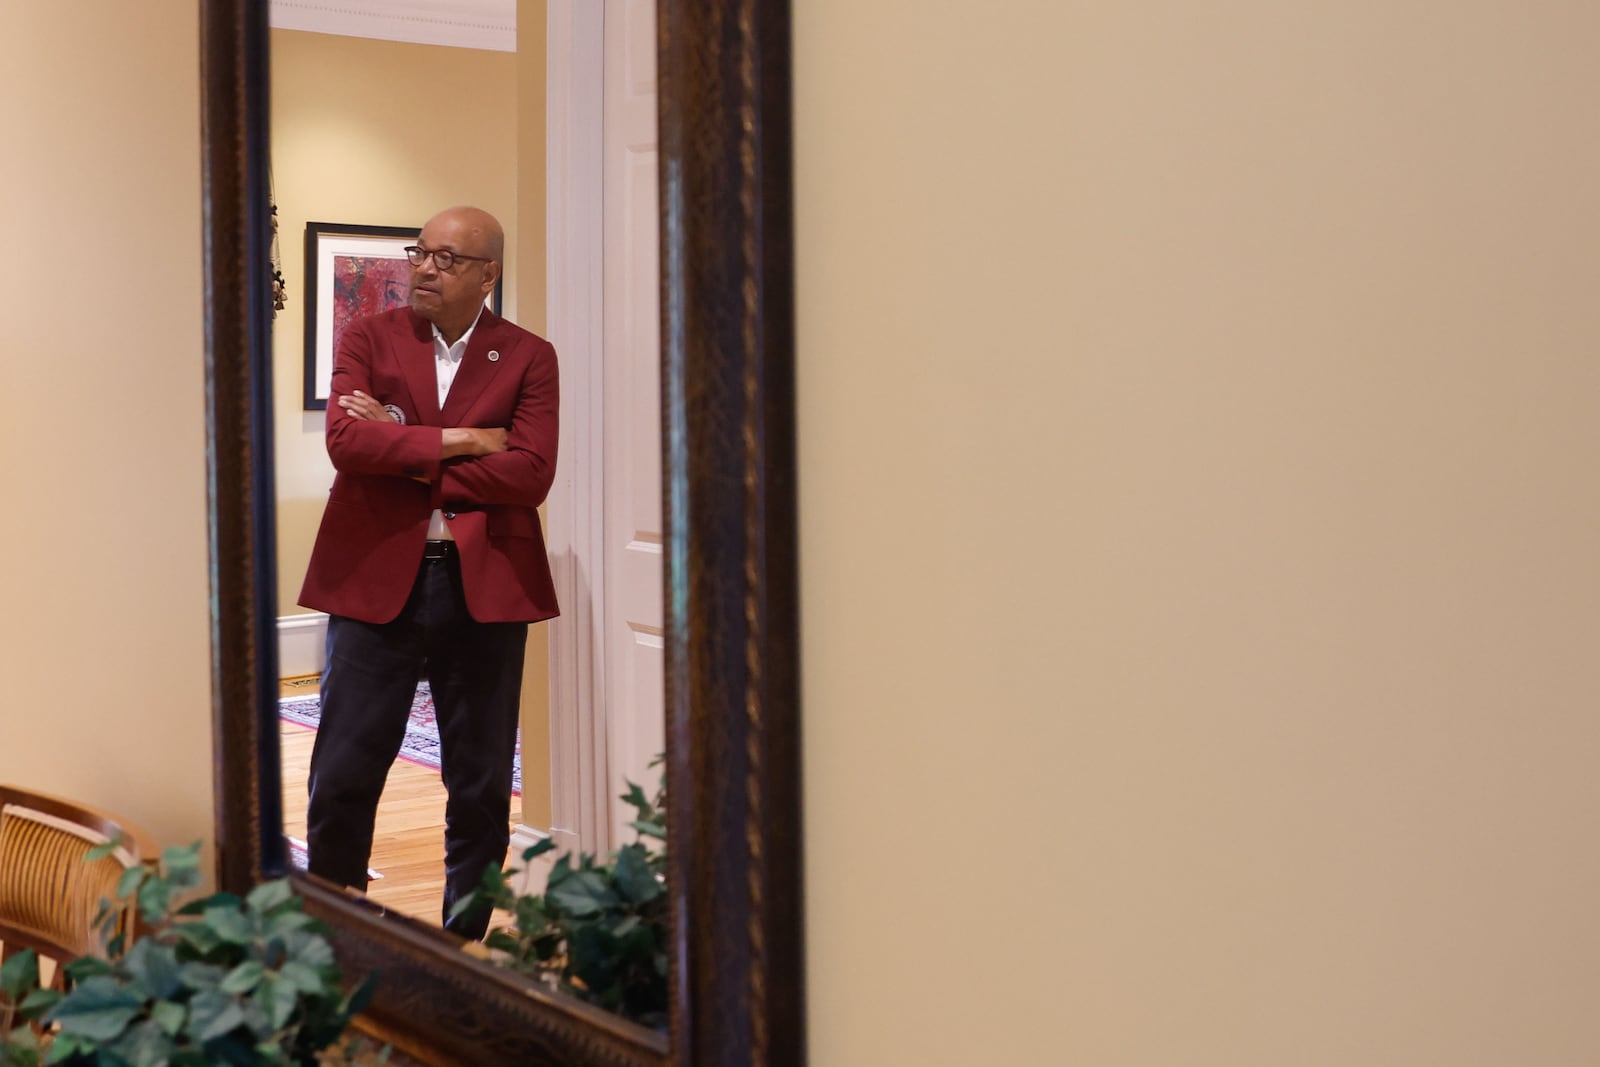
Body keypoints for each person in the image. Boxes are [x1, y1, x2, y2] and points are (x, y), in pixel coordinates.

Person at [297, 205, 559, 939]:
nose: (425, 268)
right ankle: (335, 935)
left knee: (478, 787)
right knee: (344, 773)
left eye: (447, 259)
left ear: (488, 275)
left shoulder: (529, 356)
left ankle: (463, 950)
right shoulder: (369, 336)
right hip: (375, 579)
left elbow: (531, 474)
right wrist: (470, 440)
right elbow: (349, 445)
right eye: (421, 253)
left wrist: (407, 446)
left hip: (484, 587)